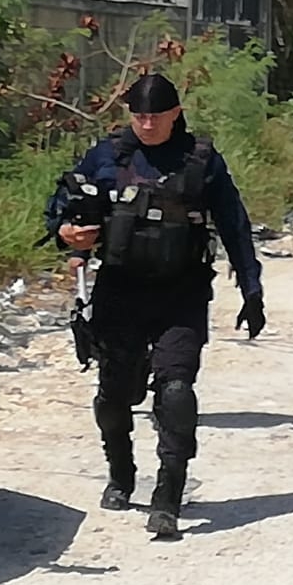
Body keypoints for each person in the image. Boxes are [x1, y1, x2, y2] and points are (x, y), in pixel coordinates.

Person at [44, 72, 265, 539]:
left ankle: (168, 495)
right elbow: (64, 205)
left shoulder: (200, 161)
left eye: (155, 116)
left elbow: (234, 224)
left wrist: (251, 289)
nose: (146, 124)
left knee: (177, 391)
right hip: (120, 291)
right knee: (115, 395)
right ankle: (121, 472)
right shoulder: (108, 156)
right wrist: (68, 234)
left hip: (180, 293)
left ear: (175, 114)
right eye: (139, 115)